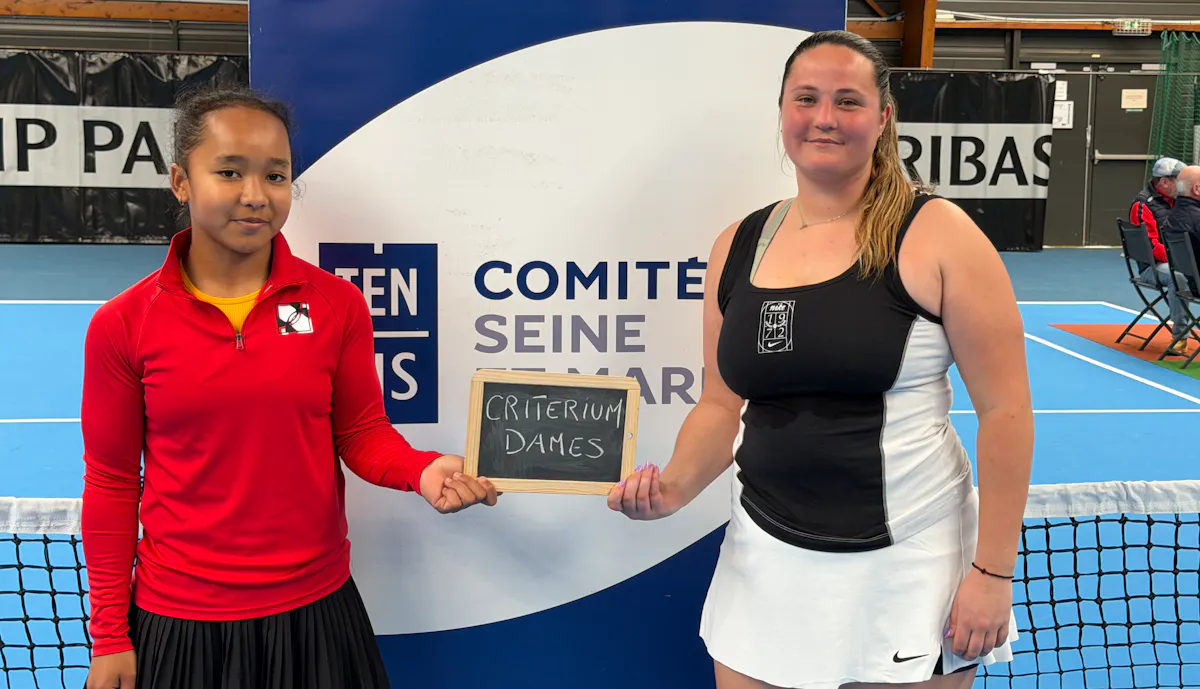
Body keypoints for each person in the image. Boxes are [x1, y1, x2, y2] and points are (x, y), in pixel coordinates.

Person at [608, 30, 1033, 689]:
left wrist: (992, 572)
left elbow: (1005, 411)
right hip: (763, 556)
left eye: (848, 101)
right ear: (782, 112)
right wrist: (673, 489)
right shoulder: (738, 244)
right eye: (806, 98)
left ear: (883, 118)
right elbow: (720, 403)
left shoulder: (940, 234)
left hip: (909, 562)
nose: (824, 118)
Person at [81, 84, 499, 689]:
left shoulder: (336, 304)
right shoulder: (122, 324)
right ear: (180, 182)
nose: (256, 195)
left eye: (275, 175)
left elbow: (362, 433)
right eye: (229, 171)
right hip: (179, 618)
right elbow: (112, 482)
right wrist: (109, 637)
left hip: (317, 611)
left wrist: (423, 469)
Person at [1129, 157, 1190, 353]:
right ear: (1164, 182)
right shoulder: (1142, 205)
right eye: (1179, 181)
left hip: (1183, 260)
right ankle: (1180, 337)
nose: (1183, 185)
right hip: (1152, 267)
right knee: (1178, 278)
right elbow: (1150, 248)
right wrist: (1181, 259)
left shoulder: (1181, 200)